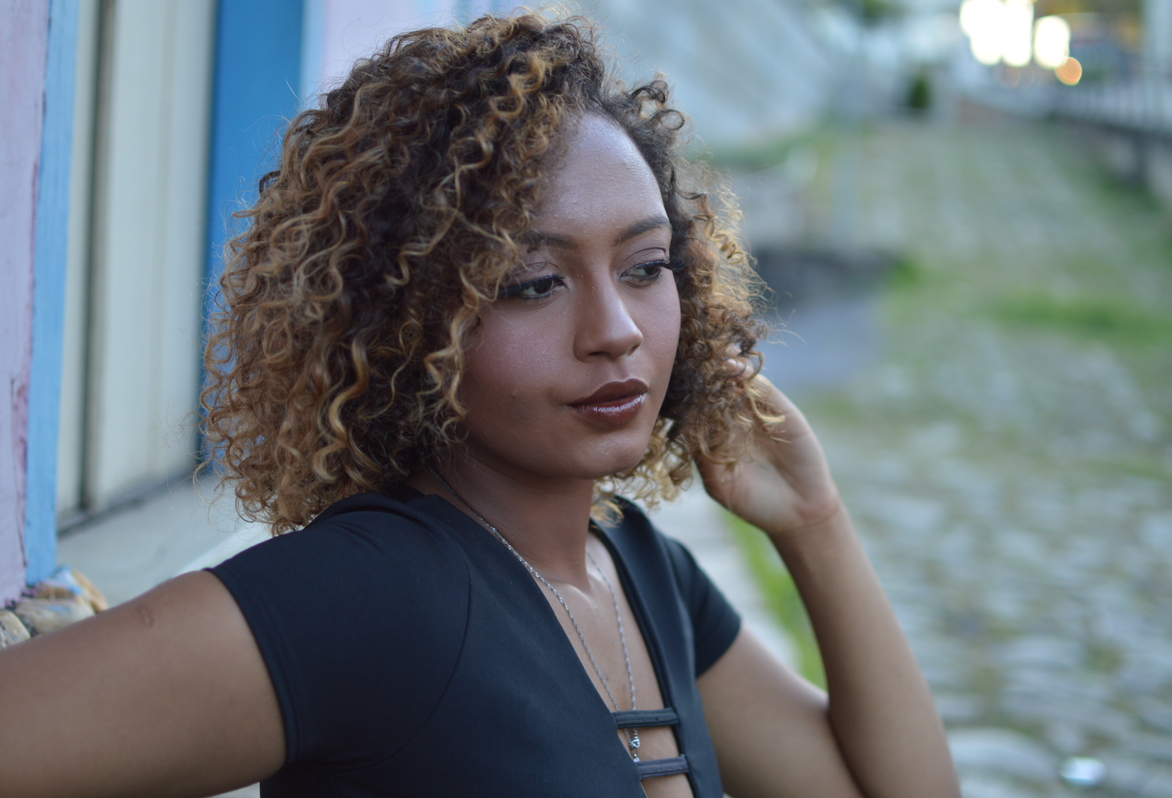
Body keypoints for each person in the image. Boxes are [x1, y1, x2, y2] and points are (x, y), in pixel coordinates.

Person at [0, 12, 958, 798]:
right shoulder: (376, 594)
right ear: (405, 320)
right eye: (535, 283)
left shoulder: (640, 568)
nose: (616, 330)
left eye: (645, 267)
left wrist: (815, 524)